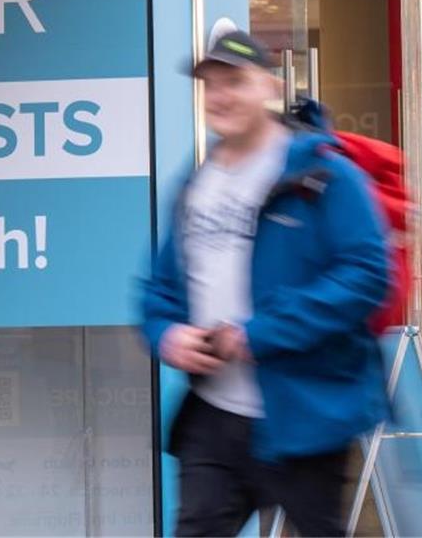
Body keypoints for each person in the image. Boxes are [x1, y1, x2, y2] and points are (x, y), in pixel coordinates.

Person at [138, 30, 391, 537]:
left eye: (235, 82)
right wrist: (168, 334)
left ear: (269, 86)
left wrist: (260, 334)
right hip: (213, 416)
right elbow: (159, 288)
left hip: (303, 411)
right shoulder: (198, 182)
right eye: (210, 85)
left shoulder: (324, 175)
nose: (220, 97)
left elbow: (366, 275)